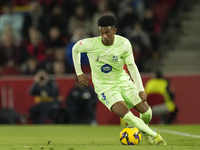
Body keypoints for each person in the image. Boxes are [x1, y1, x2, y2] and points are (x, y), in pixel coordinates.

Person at [72, 15, 166, 145]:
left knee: (147, 112)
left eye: (107, 32)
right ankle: (153, 135)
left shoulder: (124, 43)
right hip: (105, 87)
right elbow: (75, 48)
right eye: (101, 33)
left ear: (114, 30)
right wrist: (79, 73)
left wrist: (140, 89)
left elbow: (132, 66)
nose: (104, 36)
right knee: (129, 116)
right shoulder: (91, 44)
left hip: (123, 82)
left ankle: (143, 132)